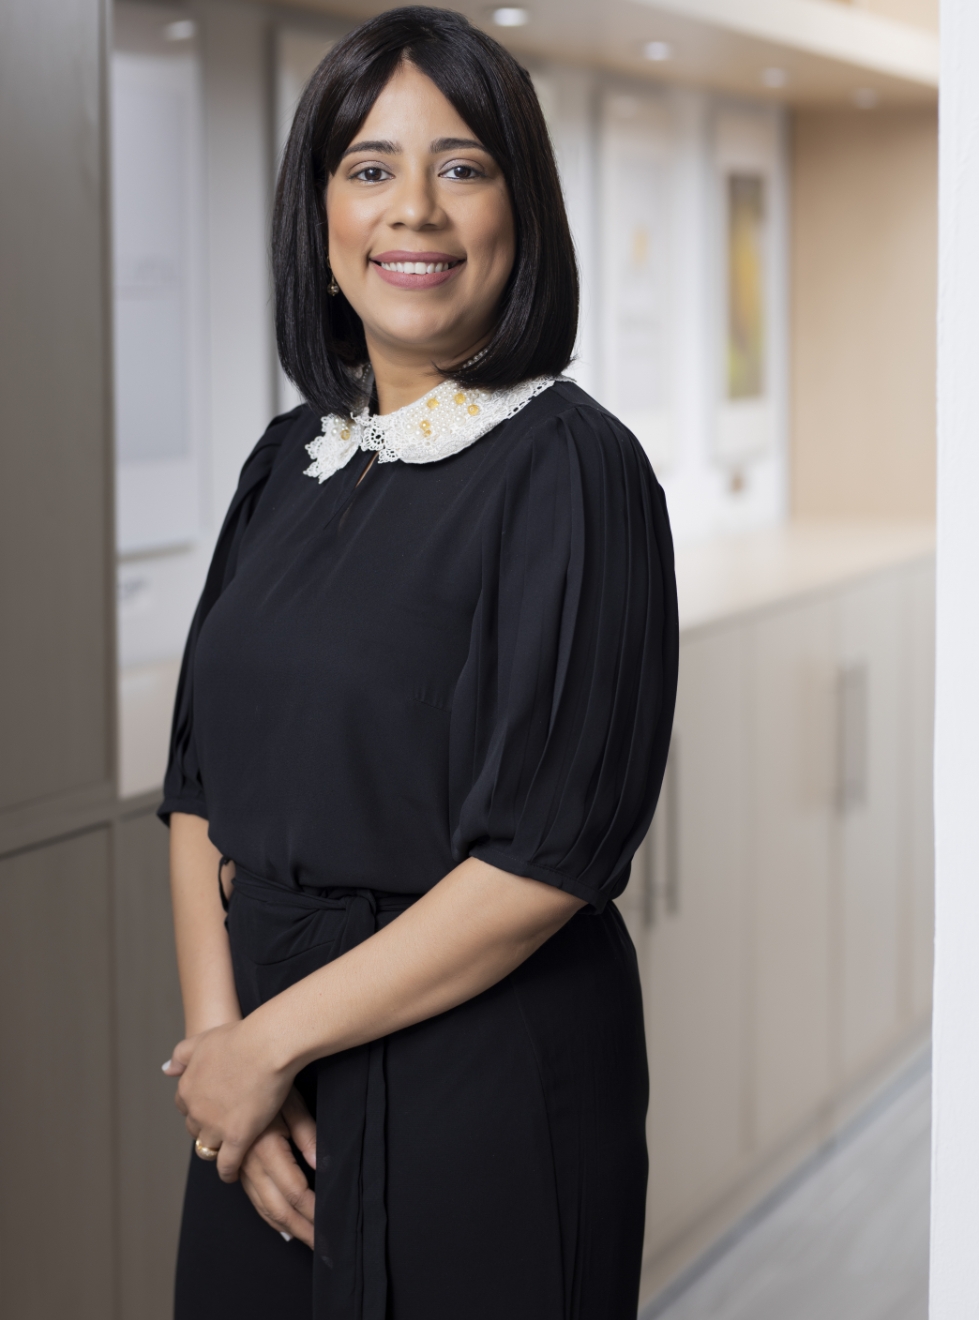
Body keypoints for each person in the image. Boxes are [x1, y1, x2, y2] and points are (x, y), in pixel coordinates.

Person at [159, 8, 678, 1319]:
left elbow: (543, 859)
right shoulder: (289, 461)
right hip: (261, 1094)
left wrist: (266, 1043)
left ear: (521, 207)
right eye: (370, 168)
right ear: (322, 216)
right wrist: (224, 1056)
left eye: (462, 167)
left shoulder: (573, 470)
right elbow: (199, 785)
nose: (416, 211)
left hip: (479, 1083)